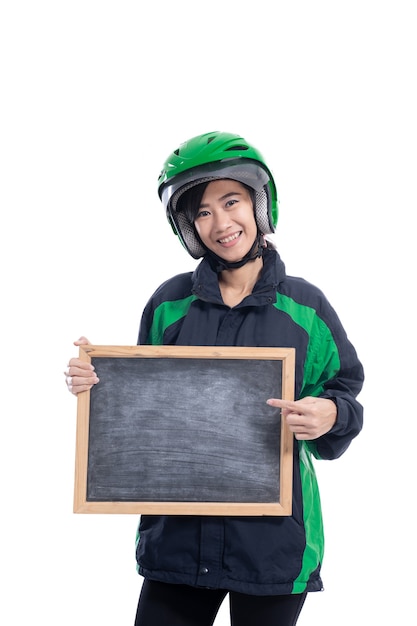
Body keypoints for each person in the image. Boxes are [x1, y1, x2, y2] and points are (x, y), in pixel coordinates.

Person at [65, 131, 364, 626]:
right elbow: (143, 410)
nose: (221, 223)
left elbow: (345, 394)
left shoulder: (306, 308)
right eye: (202, 211)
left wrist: (329, 413)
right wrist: (98, 386)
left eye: (232, 202)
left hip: (272, 547)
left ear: (260, 204)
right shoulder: (169, 303)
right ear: (187, 224)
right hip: (177, 544)